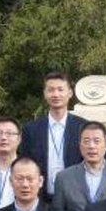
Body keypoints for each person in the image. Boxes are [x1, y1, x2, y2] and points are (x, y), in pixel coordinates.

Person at [20, 71, 85, 199]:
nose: (56, 94)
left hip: (75, 199)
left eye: (60, 89)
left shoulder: (83, 127)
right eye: (51, 90)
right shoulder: (31, 129)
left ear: (70, 93)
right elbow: (26, 164)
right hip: (41, 198)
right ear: (45, 94)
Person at [50, 121, 106, 211]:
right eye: (86, 141)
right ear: (80, 145)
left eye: (96, 141)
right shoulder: (64, 177)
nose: (91, 146)